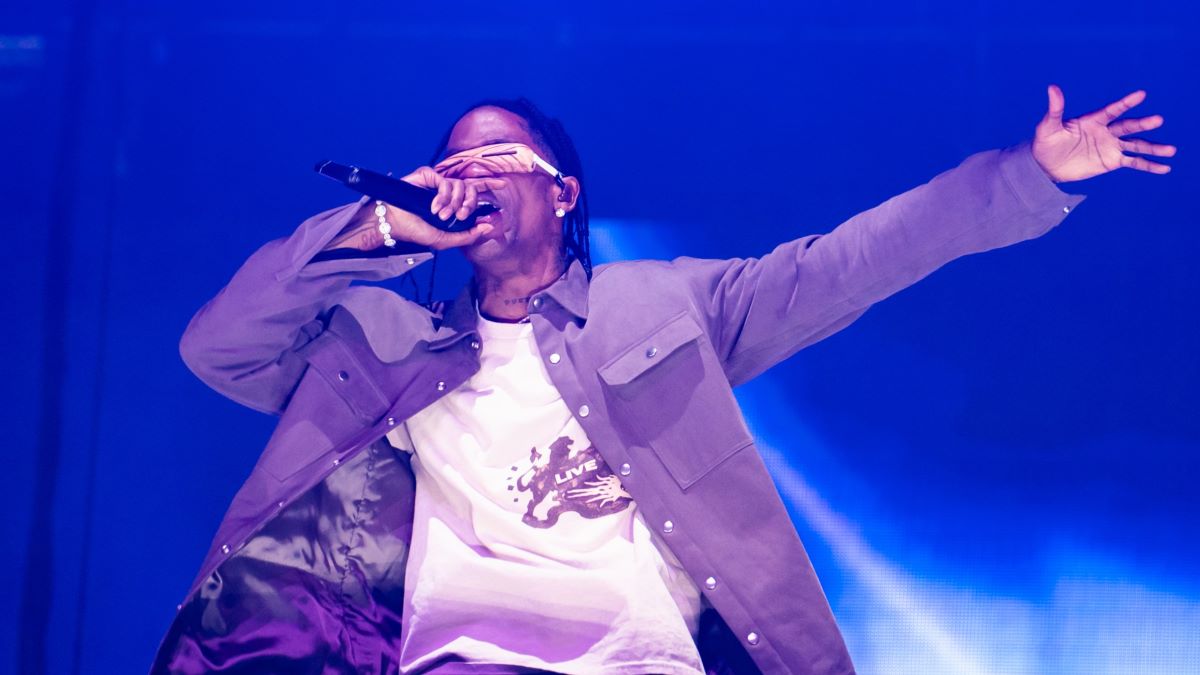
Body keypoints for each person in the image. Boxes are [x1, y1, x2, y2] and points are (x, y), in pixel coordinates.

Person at [151, 89, 1174, 674]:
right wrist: (379, 227)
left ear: (564, 193)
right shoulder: (381, 340)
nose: (475, 173)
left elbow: (850, 262)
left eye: (503, 154)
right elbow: (219, 347)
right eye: (456, 163)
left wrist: (1026, 178)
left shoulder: (666, 304)